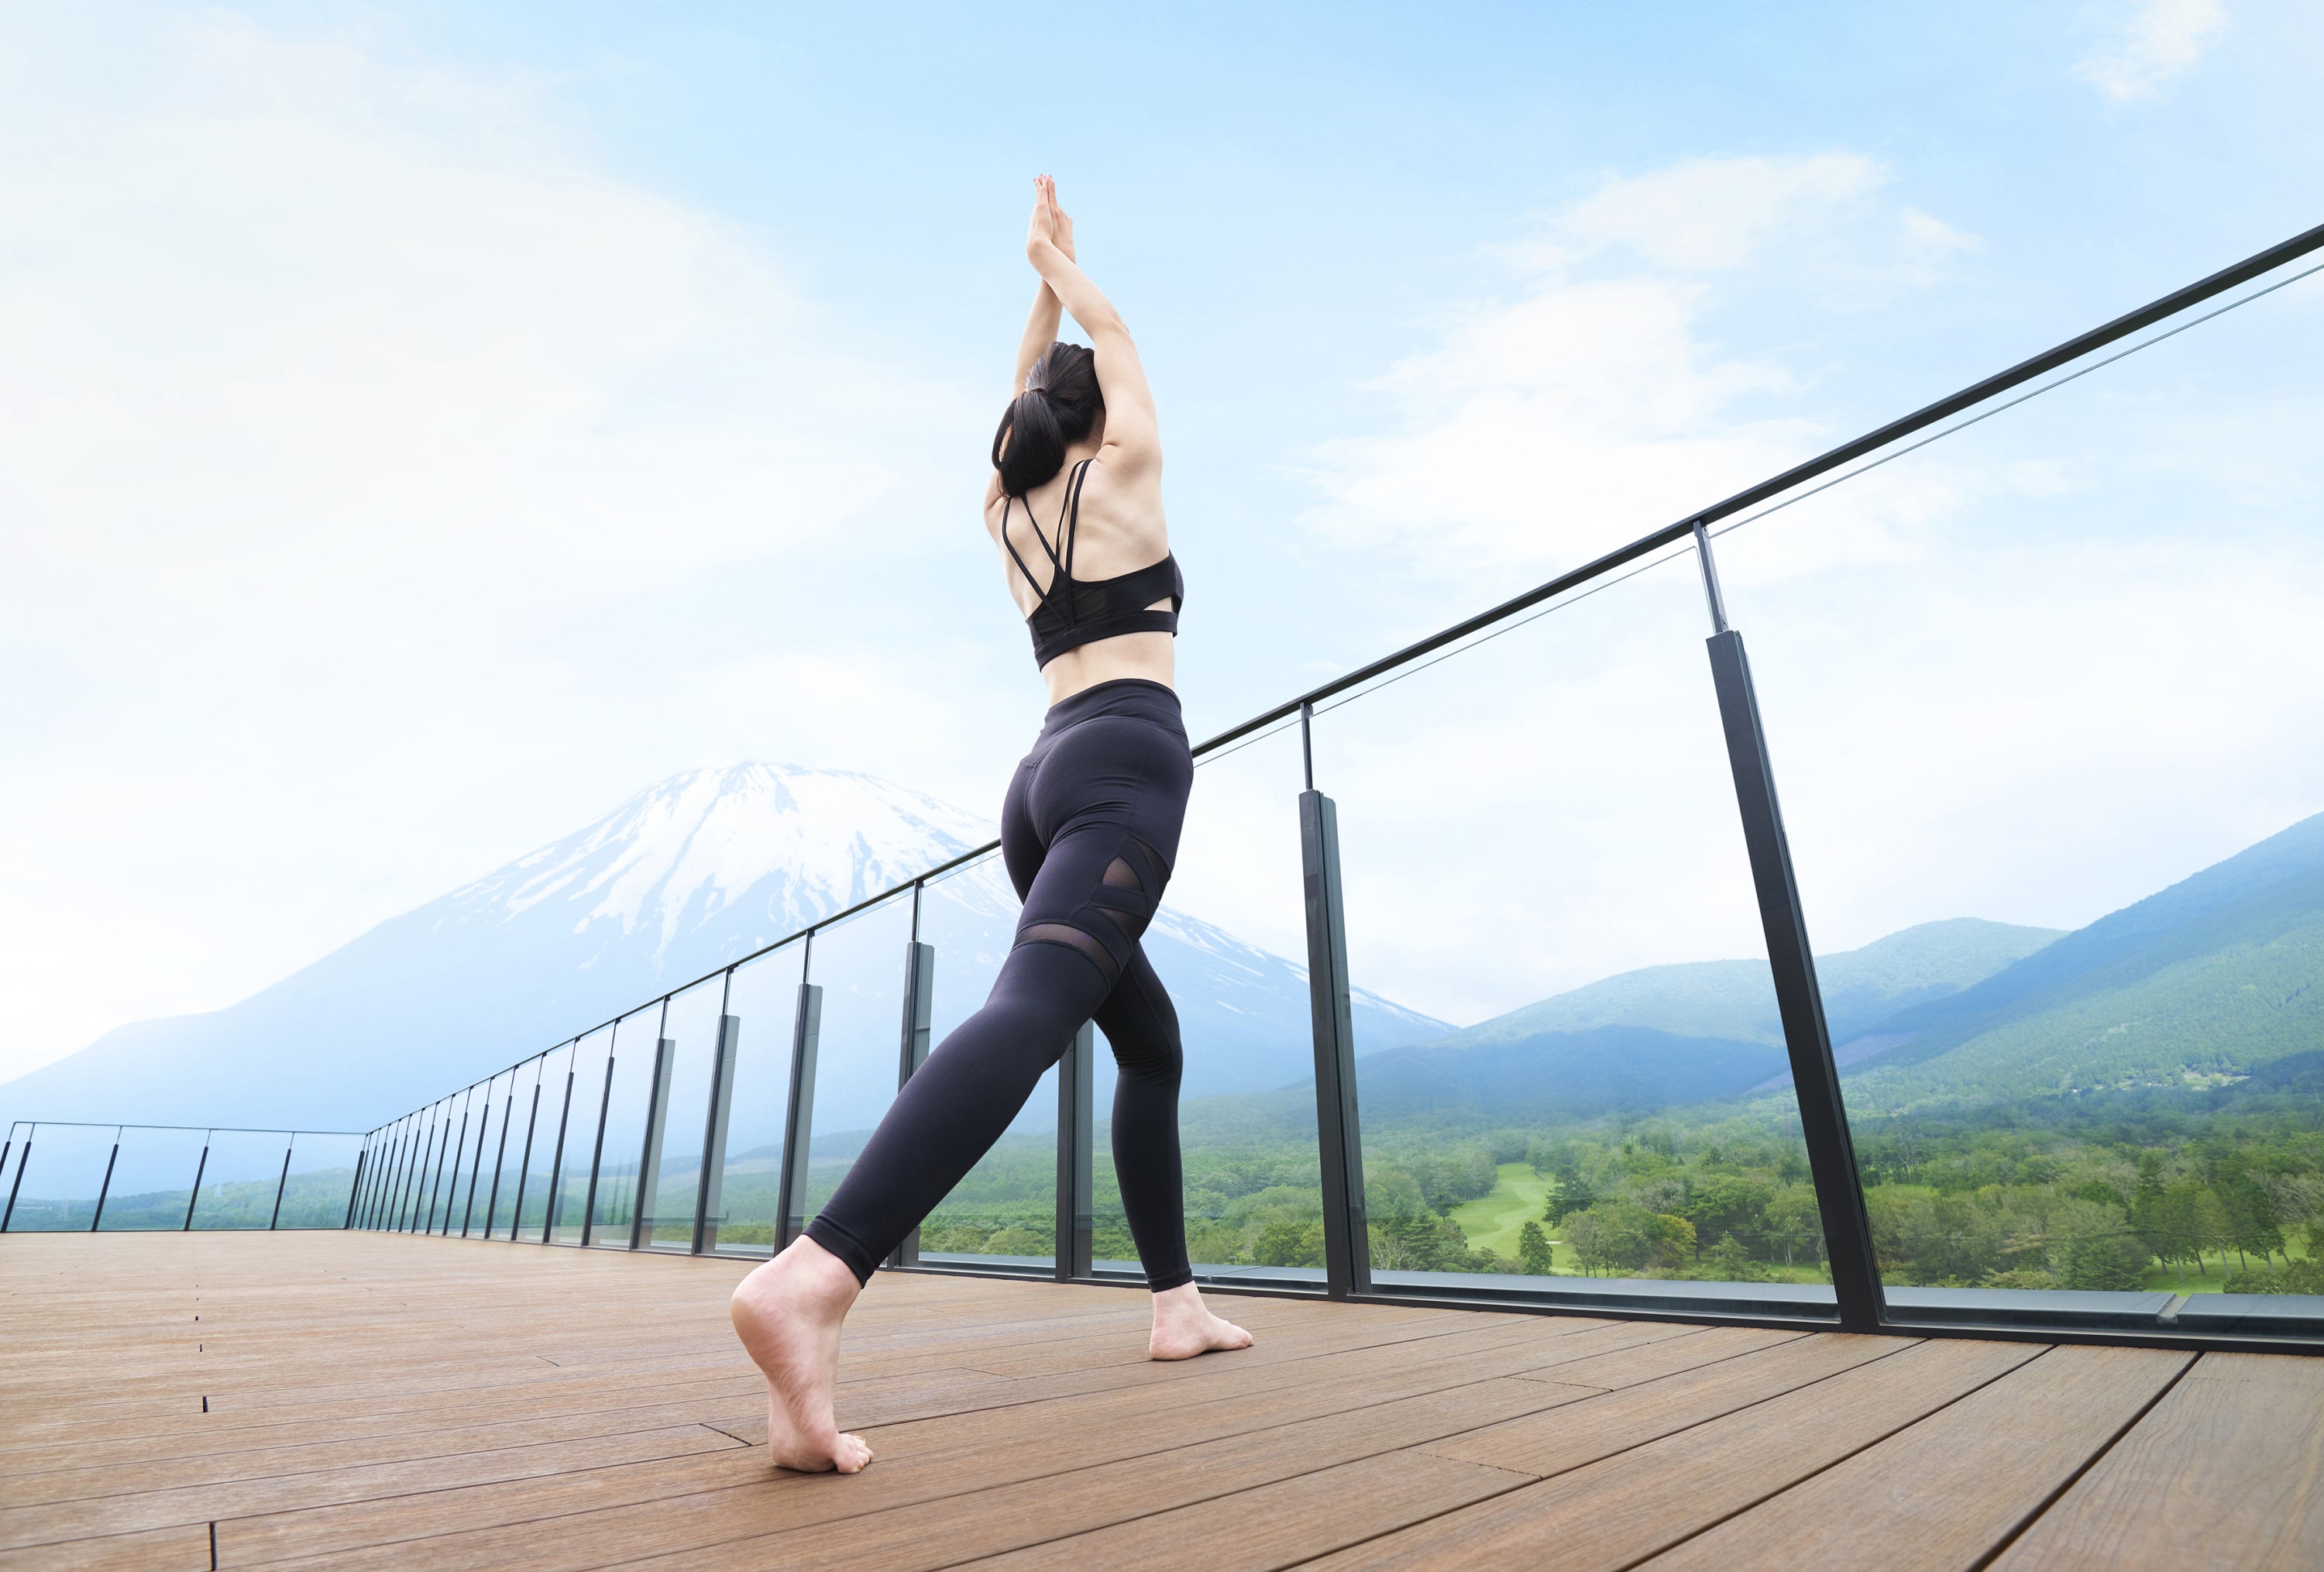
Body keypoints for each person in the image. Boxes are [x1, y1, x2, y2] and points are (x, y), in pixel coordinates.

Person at [730, 175, 1253, 1474]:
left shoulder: (1008, 514)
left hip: (1038, 783)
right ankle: (819, 1272)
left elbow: (1038, 391)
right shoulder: (1123, 471)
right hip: (1127, 770)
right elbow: (1118, 339)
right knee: (1031, 1015)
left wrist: (1036, 291)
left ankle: (1175, 1303)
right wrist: (1062, 270)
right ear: (1095, 422)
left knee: (1151, 1042)